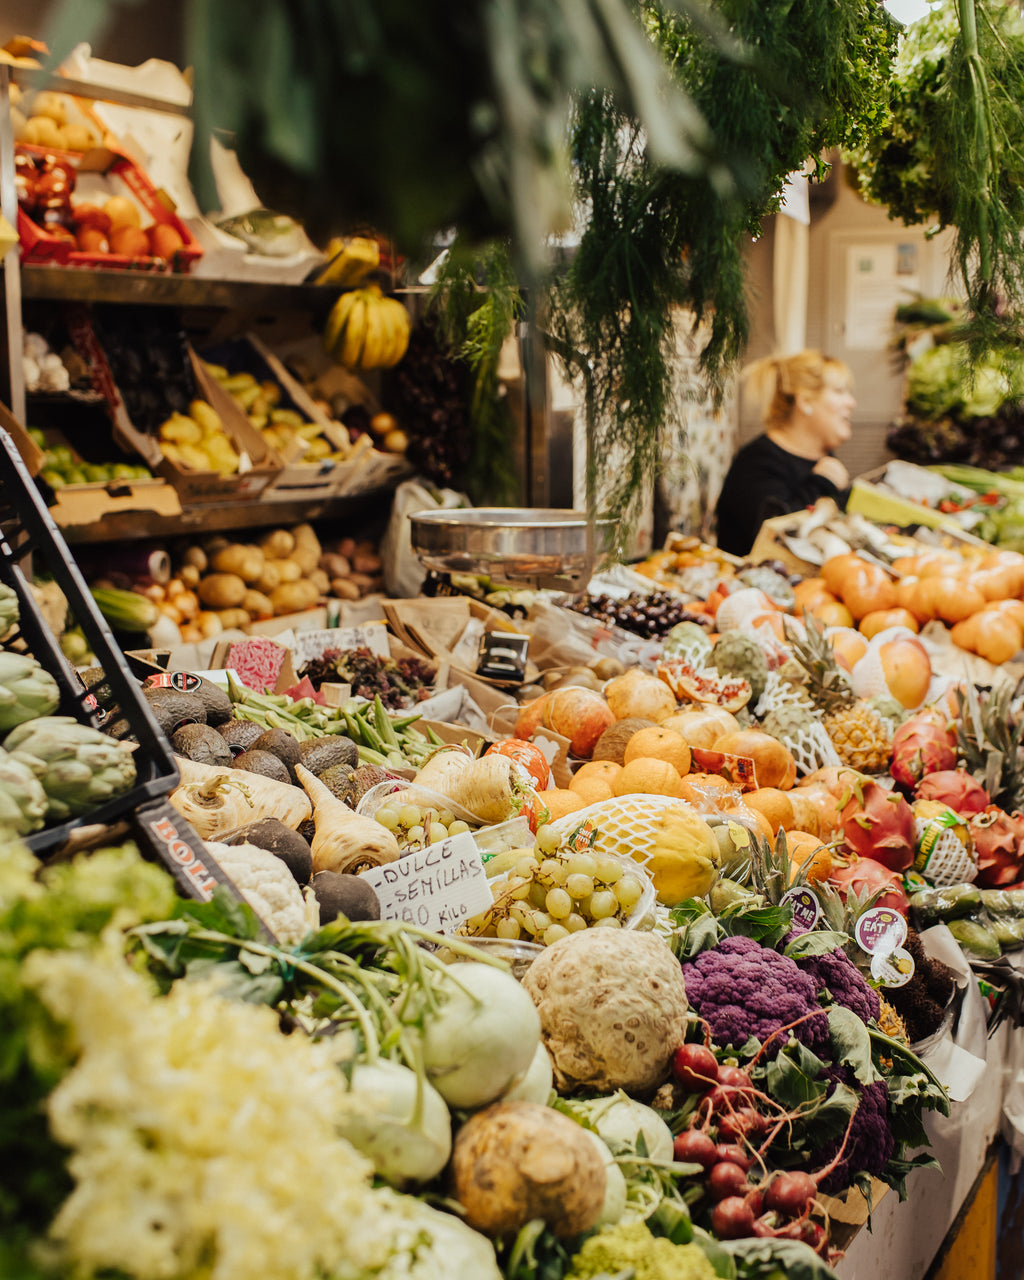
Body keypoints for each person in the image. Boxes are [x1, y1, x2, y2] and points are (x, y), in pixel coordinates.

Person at [713, 350, 855, 558]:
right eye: (840, 391)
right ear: (805, 401)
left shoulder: (824, 458)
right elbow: (776, 540)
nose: (851, 403)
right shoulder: (757, 462)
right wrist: (821, 484)